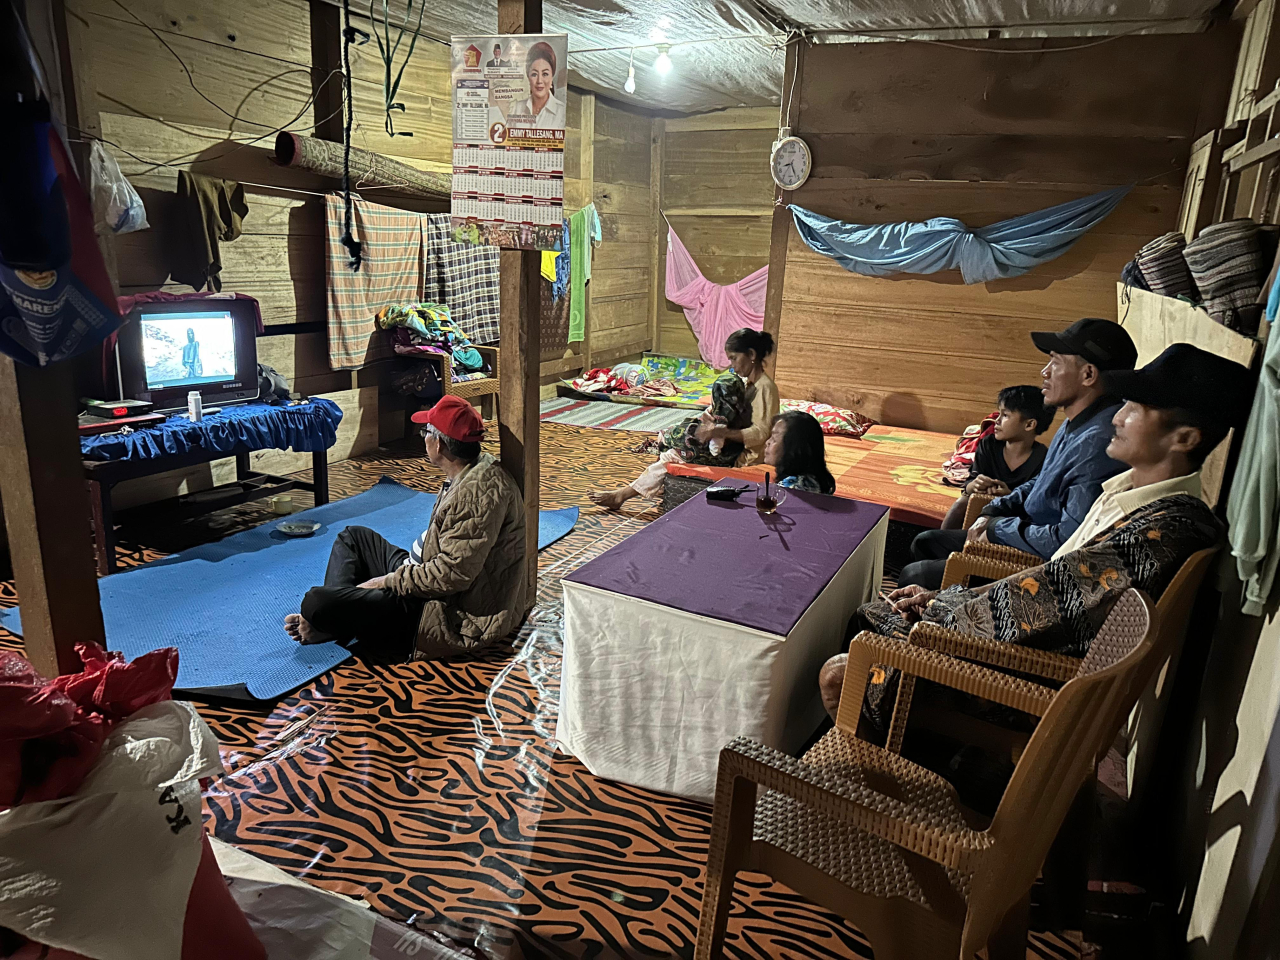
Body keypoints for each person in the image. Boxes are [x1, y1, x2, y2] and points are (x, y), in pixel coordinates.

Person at [819, 342, 1253, 733]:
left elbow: (1041, 602)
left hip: (1022, 677)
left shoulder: (1163, 532)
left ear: (1185, 438)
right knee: (872, 614)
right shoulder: (1127, 494)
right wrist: (940, 598)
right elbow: (1049, 580)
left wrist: (936, 610)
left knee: (844, 666)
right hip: (1011, 642)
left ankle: (869, 768)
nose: (1118, 416)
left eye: (1136, 407)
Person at [898, 317, 1137, 590]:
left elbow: (1066, 542)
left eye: (1056, 362)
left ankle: (936, 609)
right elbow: (1043, 480)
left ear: (1088, 375)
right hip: (1024, 531)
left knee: (914, 574)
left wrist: (996, 529)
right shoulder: (1077, 421)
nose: (1045, 372)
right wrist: (997, 507)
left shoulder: (1099, 444)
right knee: (926, 541)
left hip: (1035, 565)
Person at [284, 396, 528, 661]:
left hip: (443, 611)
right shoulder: (472, 469)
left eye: (426, 432)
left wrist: (387, 581)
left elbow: (452, 576)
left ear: (440, 443)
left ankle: (330, 620)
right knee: (352, 537)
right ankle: (336, 619)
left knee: (315, 602)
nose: (424, 438)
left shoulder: (474, 495)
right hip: (423, 574)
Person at [590, 328, 780, 510]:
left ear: (751, 355)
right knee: (672, 436)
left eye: (734, 358)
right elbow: (728, 411)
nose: (732, 365)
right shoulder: (747, 384)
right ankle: (647, 489)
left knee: (674, 454)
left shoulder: (765, 388)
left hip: (744, 458)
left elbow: (761, 434)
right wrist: (710, 418)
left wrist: (720, 432)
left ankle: (621, 496)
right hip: (731, 446)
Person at [940, 385, 1055, 529]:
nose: (997, 420)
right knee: (962, 502)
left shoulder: (1043, 458)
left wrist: (1010, 496)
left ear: (1029, 424)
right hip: (981, 504)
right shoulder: (989, 445)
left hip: (1015, 517)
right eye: (999, 414)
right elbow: (969, 483)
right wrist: (974, 485)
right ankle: (942, 539)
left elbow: (1036, 504)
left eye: (1005, 415)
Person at [765, 410, 836, 494]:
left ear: (794, 448)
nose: (767, 442)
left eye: (774, 439)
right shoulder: (812, 478)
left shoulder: (793, 489)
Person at [506, 42, 565, 128]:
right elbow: (506, 135)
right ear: (528, 77)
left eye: (545, 74)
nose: (539, 81)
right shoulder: (517, 108)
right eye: (534, 74)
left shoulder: (561, 112)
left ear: (552, 77)